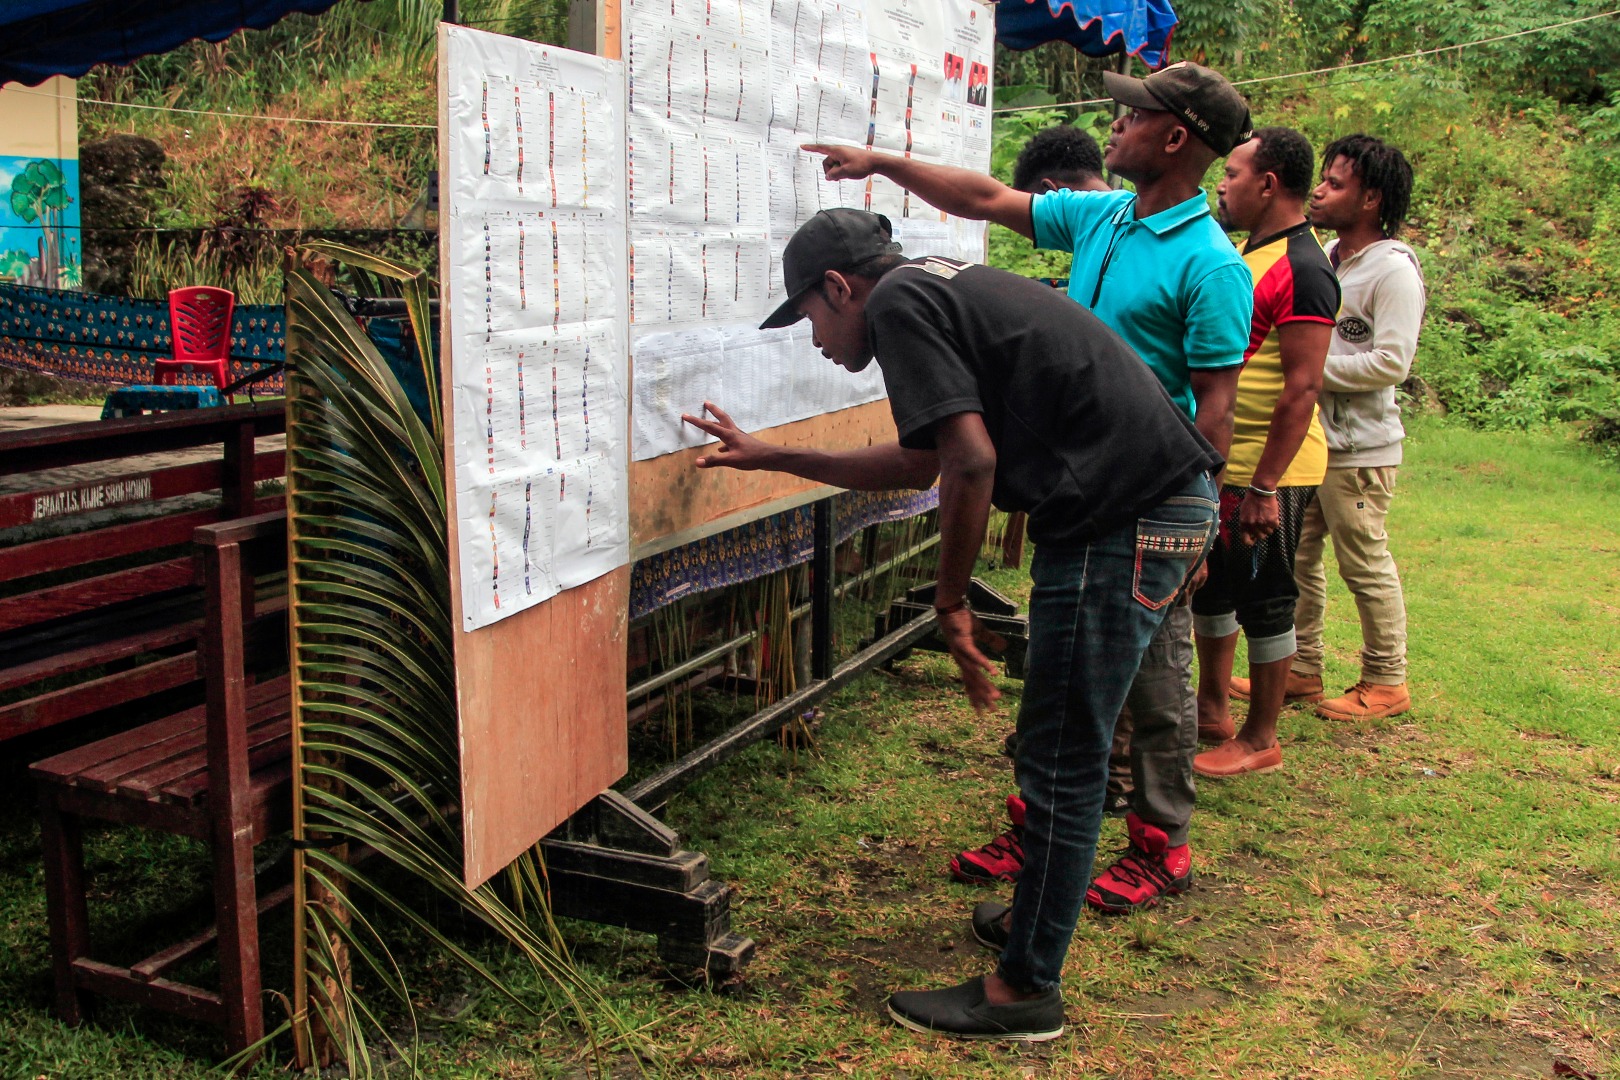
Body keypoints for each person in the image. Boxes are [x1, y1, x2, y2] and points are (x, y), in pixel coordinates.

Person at [683, 208, 1219, 1042]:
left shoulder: (898, 304)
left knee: (1063, 758)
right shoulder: (935, 283)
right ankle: (1034, 926)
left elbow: (972, 462)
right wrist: (774, 456)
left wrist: (949, 598)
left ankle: (1025, 993)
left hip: (1123, 517)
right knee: (1062, 745)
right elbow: (928, 458)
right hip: (1154, 503)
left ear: (839, 286)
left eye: (812, 318)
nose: (816, 340)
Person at [807, 61, 1254, 914]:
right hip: (1080, 484)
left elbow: (1217, 410)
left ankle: (1161, 844)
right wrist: (881, 162)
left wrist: (1198, 531)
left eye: (1133, 116)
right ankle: (1040, 829)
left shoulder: (1212, 266)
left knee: (1151, 683)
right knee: (1061, 674)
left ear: (1176, 137)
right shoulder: (1107, 218)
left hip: (1150, 491)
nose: (1111, 125)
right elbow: (980, 199)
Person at [1235, 135, 1423, 720]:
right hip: (1311, 444)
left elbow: (1393, 361)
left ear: (1371, 199)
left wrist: (1309, 370)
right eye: (1322, 178)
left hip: (1360, 448)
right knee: (1300, 561)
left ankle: (1387, 679)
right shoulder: (1329, 256)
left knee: (1363, 559)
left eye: (1336, 184)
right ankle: (1302, 668)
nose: (1319, 190)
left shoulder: (1391, 270)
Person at [1185, 127, 1339, 778]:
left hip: (1269, 470)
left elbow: (1302, 387)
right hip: (1227, 461)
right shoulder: (1251, 254)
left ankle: (1261, 737)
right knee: (1212, 593)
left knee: (1267, 597)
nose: (1222, 183)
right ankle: (1212, 711)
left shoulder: (1303, 267)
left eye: (1234, 173)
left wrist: (1267, 487)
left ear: (1268, 184)